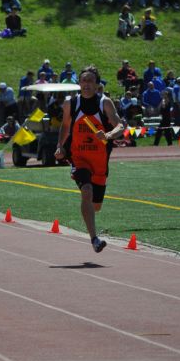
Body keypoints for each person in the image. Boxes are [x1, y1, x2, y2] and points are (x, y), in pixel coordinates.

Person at [55, 66, 124, 253]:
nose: (86, 84)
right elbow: (66, 126)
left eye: (90, 81)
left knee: (96, 206)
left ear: (96, 85)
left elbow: (120, 126)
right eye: (83, 80)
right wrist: (60, 146)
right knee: (86, 190)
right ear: (79, 83)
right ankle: (94, 239)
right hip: (79, 158)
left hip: (100, 162)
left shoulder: (105, 103)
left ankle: (90, 222)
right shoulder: (72, 103)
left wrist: (108, 135)